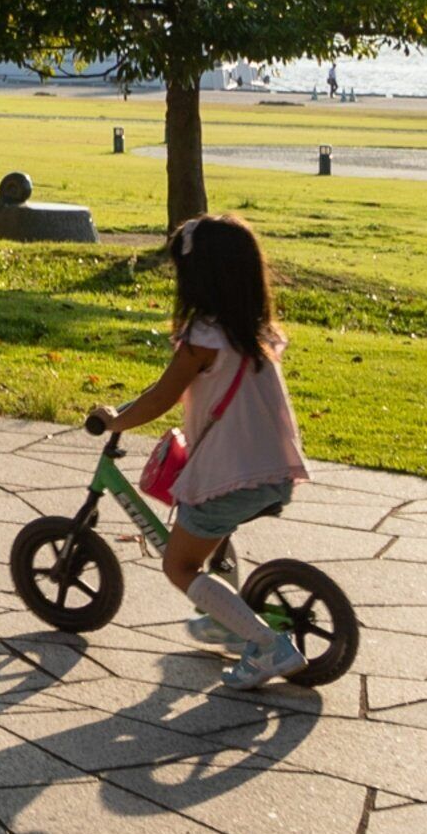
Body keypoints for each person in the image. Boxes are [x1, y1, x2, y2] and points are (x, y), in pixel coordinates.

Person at [93, 214, 314, 691]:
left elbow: (160, 397)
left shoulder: (203, 340)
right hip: (270, 469)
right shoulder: (255, 333)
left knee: (180, 564)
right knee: (206, 533)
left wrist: (115, 420)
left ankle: (266, 645)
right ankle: (224, 618)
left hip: (229, 472)